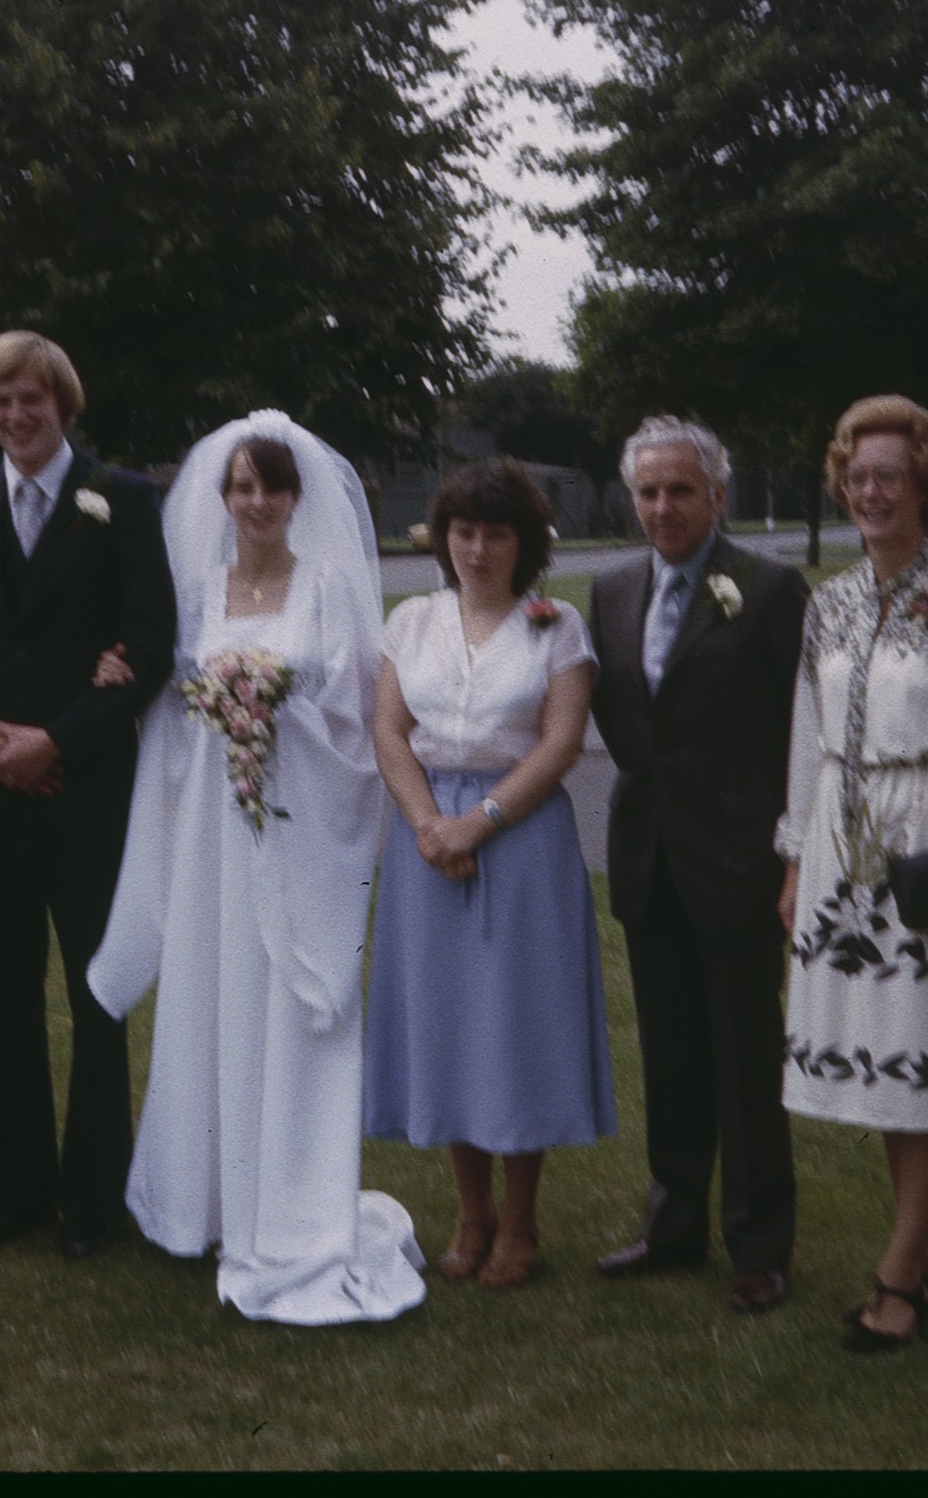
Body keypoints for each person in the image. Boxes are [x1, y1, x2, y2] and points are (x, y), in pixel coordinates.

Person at [85, 414, 426, 1324]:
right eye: (242, 485)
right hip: (213, 826)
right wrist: (161, 681)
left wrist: (272, 709)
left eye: (272, 485)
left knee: (287, 1000)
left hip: (299, 823)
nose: (257, 500)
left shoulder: (328, 589)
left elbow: (356, 715)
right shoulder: (199, 589)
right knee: (211, 987)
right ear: (223, 496)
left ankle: (291, 1201)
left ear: (296, 496)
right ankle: (203, 1199)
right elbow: (167, 696)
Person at [0, 330, 176, 1259]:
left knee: (97, 993)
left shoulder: (122, 497)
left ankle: (96, 1201)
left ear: (63, 402)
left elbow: (150, 644)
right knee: (9, 992)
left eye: (31, 397)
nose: (15, 415)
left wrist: (55, 738)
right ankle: (14, 1191)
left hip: (88, 784)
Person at [776, 395, 928, 1351]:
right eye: (856, 475)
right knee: (886, 1057)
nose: (869, 491)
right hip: (842, 848)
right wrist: (794, 854)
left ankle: (897, 1278)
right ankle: (923, 1252)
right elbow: (806, 734)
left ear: (927, 485)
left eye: (888, 475)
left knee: (927, 1056)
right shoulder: (830, 602)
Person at [363, 458, 616, 1290]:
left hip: (521, 834)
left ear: (525, 544)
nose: (476, 549)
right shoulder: (410, 621)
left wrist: (479, 821)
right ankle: (469, 1214)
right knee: (444, 1024)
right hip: (424, 837)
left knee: (515, 1025)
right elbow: (390, 730)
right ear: (442, 539)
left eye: (495, 534)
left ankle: (520, 1219)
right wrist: (428, 825)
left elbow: (561, 742)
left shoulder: (556, 627)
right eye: (463, 532)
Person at [587, 416, 810, 1312]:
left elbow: (800, 729)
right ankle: (673, 1224)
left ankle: (758, 1243)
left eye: (680, 489)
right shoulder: (609, 589)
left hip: (737, 859)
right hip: (648, 856)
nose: (662, 506)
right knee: (670, 1051)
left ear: (717, 495)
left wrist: (788, 850)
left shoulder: (768, 588)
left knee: (746, 1056)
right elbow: (619, 716)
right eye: (647, 491)